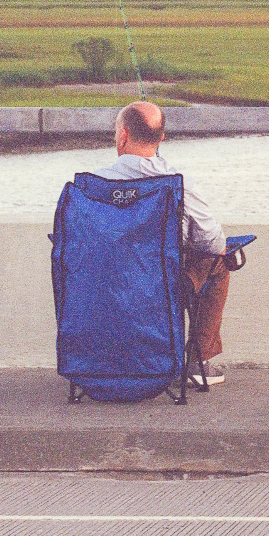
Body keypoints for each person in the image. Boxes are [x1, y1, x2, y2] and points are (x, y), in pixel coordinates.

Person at [96, 99, 236, 385]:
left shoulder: (93, 184)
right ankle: (197, 363)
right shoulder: (178, 183)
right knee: (218, 262)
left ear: (122, 135)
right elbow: (212, 243)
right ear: (161, 138)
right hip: (162, 285)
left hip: (103, 285)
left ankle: (101, 359)